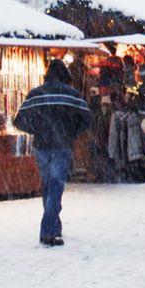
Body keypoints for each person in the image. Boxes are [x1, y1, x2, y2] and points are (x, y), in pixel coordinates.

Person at [13, 59, 93, 247]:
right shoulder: (72, 95)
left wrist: (37, 129)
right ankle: (48, 231)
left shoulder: (35, 94)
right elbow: (87, 119)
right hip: (62, 145)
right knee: (56, 188)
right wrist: (72, 131)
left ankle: (54, 228)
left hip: (41, 145)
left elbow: (19, 121)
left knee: (48, 187)